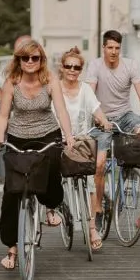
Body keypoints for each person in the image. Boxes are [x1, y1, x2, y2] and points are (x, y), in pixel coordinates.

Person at [0, 38, 75, 270]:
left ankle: (52, 205)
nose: (30, 62)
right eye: (25, 58)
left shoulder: (51, 81)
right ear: (18, 60)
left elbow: (61, 110)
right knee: (11, 191)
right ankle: (12, 249)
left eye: (35, 58)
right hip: (18, 136)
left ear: (41, 60)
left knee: (52, 171)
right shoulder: (12, 82)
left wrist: (68, 135)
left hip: (47, 134)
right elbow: (3, 115)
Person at [84, 29, 140, 226]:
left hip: (125, 116)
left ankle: (127, 174)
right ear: (103, 48)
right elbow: (90, 97)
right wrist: (99, 118)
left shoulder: (130, 65)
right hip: (102, 119)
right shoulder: (95, 65)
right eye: (110, 47)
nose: (113, 51)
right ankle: (99, 207)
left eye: (117, 48)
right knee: (100, 164)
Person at [58, 46, 111, 251]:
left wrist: (104, 121)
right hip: (59, 140)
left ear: (81, 69)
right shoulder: (54, 88)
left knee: (89, 182)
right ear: (62, 68)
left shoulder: (85, 90)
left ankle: (91, 228)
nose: (72, 70)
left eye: (77, 67)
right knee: (50, 175)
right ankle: (55, 209)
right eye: (68, 66)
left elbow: (96, 109)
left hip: (81, 141)